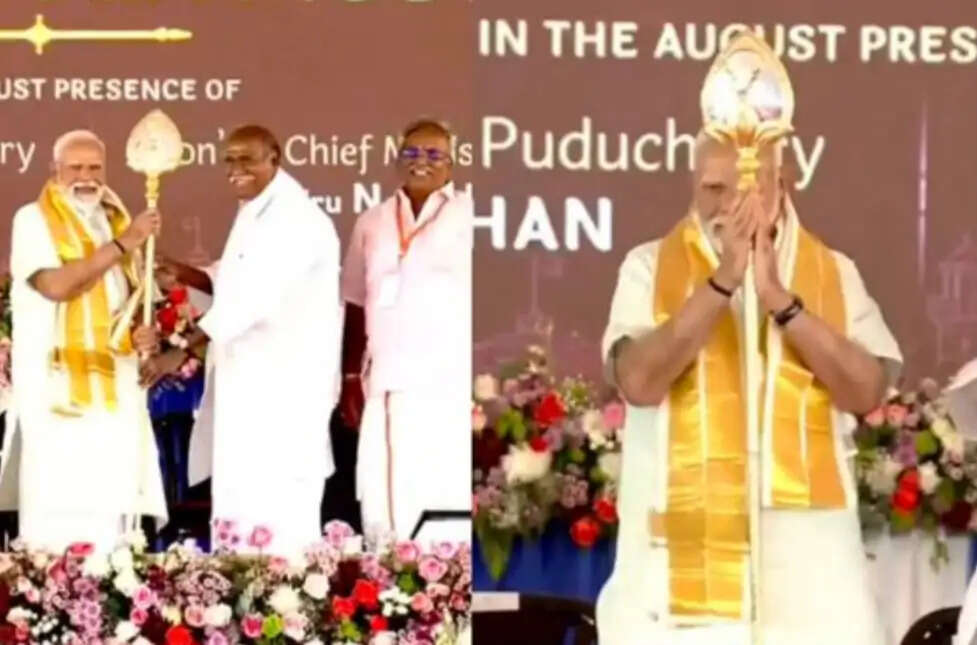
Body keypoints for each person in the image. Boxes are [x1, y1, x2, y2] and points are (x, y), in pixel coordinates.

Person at [596, 133, 902, 645]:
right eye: (712, 188)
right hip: (678, 570)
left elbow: (866, 391)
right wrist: (723, 282)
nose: (727, 205)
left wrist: (780, 299)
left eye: (744, 188)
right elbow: (638, 382)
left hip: (813, 573)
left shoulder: (834, 272)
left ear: (781, 186)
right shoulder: (647, 267)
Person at [153, 125, 342, 558]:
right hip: (250, 382)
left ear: (274, 158)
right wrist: (183, 273)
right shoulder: (257, 209)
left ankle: (288, 592)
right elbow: (234, 278)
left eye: (248, 159)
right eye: (230, 160)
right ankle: (240, 588)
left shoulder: (295, 217)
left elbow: (254, 297)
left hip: (283, 384)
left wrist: (180, 351)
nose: (236, 169)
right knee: (241, 498)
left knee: (278, 504)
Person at [0, 129, 168, 553]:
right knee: (59, 493)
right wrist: (125, 242)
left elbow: (132, 300)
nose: (86, 177)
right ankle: (53, 580)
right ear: (54, 170)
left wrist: (144, 333)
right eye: (75, 167)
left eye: (95, 167)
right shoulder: (33, 219)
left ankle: (113, 577)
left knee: (110, 492)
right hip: (56, 384)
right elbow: (56, 286)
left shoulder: (114, 218)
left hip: (115, 382)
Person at [339, 118, 472, 541]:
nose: (421, 162)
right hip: (387, 379)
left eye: (434, 154)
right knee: (385, 493)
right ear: (397, 160)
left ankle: (446, 572)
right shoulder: (372, 221)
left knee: (442, 487)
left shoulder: (471, 215)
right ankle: (396, 574)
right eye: (411, 153)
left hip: (449, 382)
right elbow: (355, 301)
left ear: (451, 164)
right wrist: (348, 377)